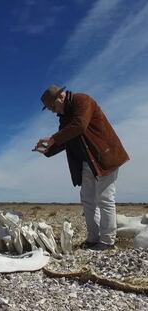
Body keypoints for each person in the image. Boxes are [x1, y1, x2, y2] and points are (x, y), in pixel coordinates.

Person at [33, 85, 129, 251]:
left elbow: (79, 125)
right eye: (49, 109)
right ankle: (93, 239)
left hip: (104, 157)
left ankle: (107, 241)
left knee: (105, 198)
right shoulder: (63, 117)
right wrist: (47, 150)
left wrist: (53, 139)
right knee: (87, 199)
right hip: (87, 162)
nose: (52, 111)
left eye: (52, 107)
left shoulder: (82, 100)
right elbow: (64, 139)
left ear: (60, 97)